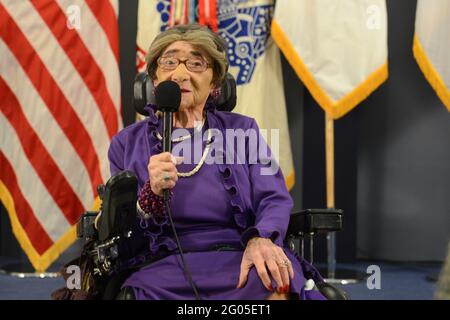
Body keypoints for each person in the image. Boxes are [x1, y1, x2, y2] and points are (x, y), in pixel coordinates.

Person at [107, 24, 325, 300]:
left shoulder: (244, 132)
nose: (181, 73)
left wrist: (262, 239)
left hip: (239, 254)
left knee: (274, 281)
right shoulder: (127, 143)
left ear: (214, 84)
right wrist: (148, 195)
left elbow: (274, 198)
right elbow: (119, 226)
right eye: (169, 62)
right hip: (162, 263)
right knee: (140, 294)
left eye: (196, 63)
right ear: (154, 76)